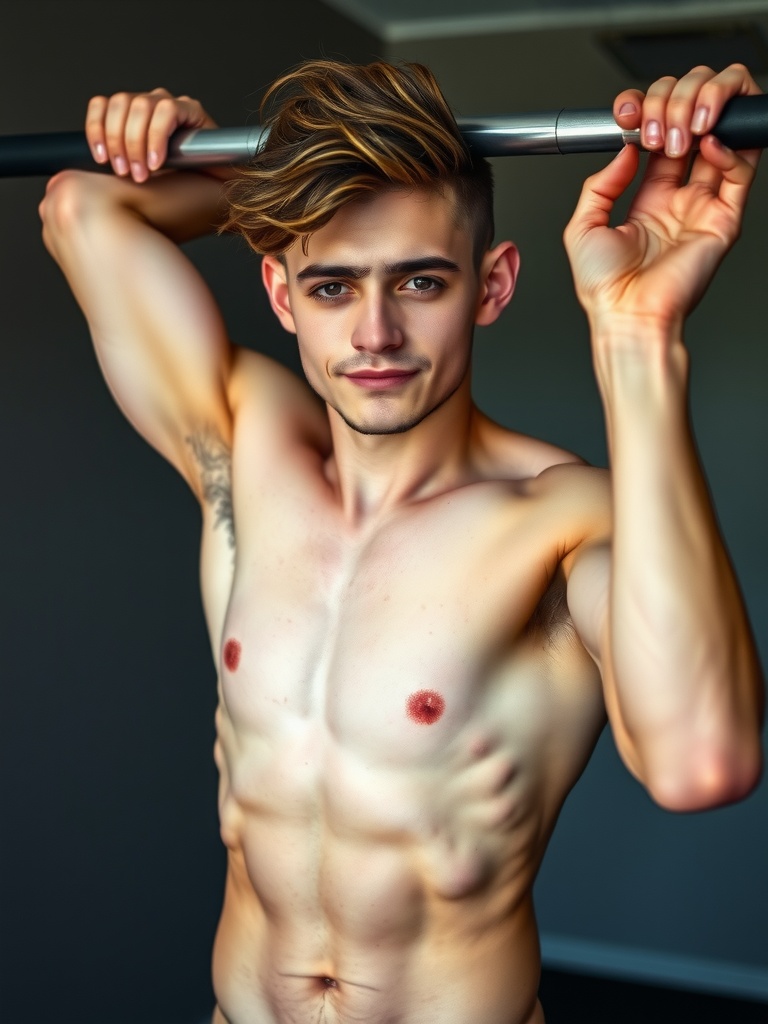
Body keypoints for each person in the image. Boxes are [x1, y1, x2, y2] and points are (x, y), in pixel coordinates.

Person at [39, 59, 764, 1024]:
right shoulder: (247, 455)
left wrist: (637, 334)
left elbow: (699, 762)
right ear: (283, 294)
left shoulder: (561, 522)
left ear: (492, 286)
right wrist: (245, 180)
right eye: (332, 286)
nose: (375, 333)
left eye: (419, 281)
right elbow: (84, 209)